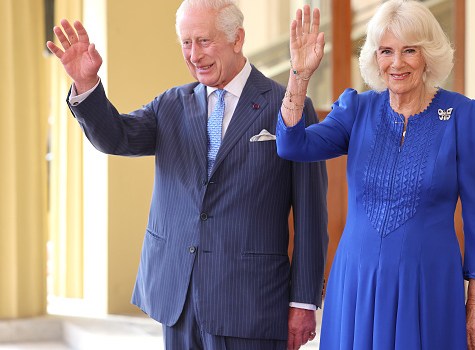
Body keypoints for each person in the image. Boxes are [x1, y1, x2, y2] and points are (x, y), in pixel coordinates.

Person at [46, 0, 328, 349]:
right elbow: (115, 136)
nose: (193, 54)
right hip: (177, 297)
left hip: (250, 303)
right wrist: (86, 85)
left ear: (237, 39)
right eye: (185, 42)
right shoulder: (170, 104)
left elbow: (311, 214)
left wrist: (303, 302)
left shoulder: (287, 106)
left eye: (204, 41)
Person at [276, 1, 475, 349]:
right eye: (386, 51)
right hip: (357, 282)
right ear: (375, 58)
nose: (396, 63)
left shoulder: (463, 117)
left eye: (409, 50)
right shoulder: (356, 109)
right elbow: (293, 145)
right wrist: (300, 75)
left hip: (428, 284)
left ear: (428, 55)